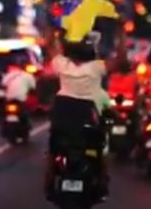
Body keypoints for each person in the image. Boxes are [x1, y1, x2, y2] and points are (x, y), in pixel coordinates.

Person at [43, 23, 127, 199]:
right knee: (99, 149)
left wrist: (54, 27)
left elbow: (49, 46)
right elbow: (120, 59)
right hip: (87, 121)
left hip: (62, 119)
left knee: (53, 150)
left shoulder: (63, 65)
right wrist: (122, 34)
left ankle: (49, 180)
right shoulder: (96, 68)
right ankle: (103, 181)